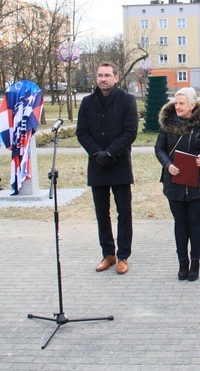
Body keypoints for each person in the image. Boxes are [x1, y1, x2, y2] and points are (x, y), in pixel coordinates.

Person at [76, 62, 139, 275]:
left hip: (119, 163)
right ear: (96, 78)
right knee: (101, 212)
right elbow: (82, 132)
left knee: (124, 211)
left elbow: (130, 132)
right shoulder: (86, 102)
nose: (103, 79)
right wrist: (97, 153)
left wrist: (110, 152)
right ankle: (108, 254)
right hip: (97, 165)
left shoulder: (127, 101)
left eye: (107, 75)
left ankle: (123, 256)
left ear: (116, 77)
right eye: (100, 75)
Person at [155, 87, 200, 281]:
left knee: (195, 222)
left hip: (197, 182)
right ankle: (183, 263)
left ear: (192, 105)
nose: (178, 106)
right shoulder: (167, 124)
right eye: (176, 103)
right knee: (180, 223)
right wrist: (168, 165)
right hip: (174, 181)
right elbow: (159, 149)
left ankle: (195, 262)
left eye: (182, 103)